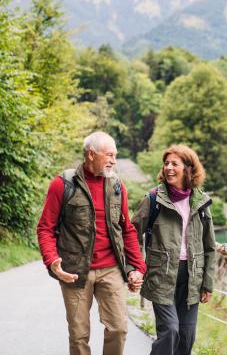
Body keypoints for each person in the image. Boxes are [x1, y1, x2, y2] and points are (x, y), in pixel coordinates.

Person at [37, 131, 146, 355]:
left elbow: (127, 229)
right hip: (74, 271)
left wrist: (137, 267)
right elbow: (45, 228)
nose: (114, 161)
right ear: (91, 154)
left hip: (111, 269)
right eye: (109, 155)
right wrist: (52, 261)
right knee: (79, 336)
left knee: (118, 328)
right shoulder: (63, 184)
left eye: (115, 155)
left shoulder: (117, 186)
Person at [133, 144, 216, 355]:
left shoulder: (201, 202)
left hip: (192, 278)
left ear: (188, 168)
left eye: (174, 164)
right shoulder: (154, 199)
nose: (169, 168)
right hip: (161, 275)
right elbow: (132, 234)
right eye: (166, 163)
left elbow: (210, 247)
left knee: (187, 337)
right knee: (170, 331)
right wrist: (136, 267)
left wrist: (207, 282)